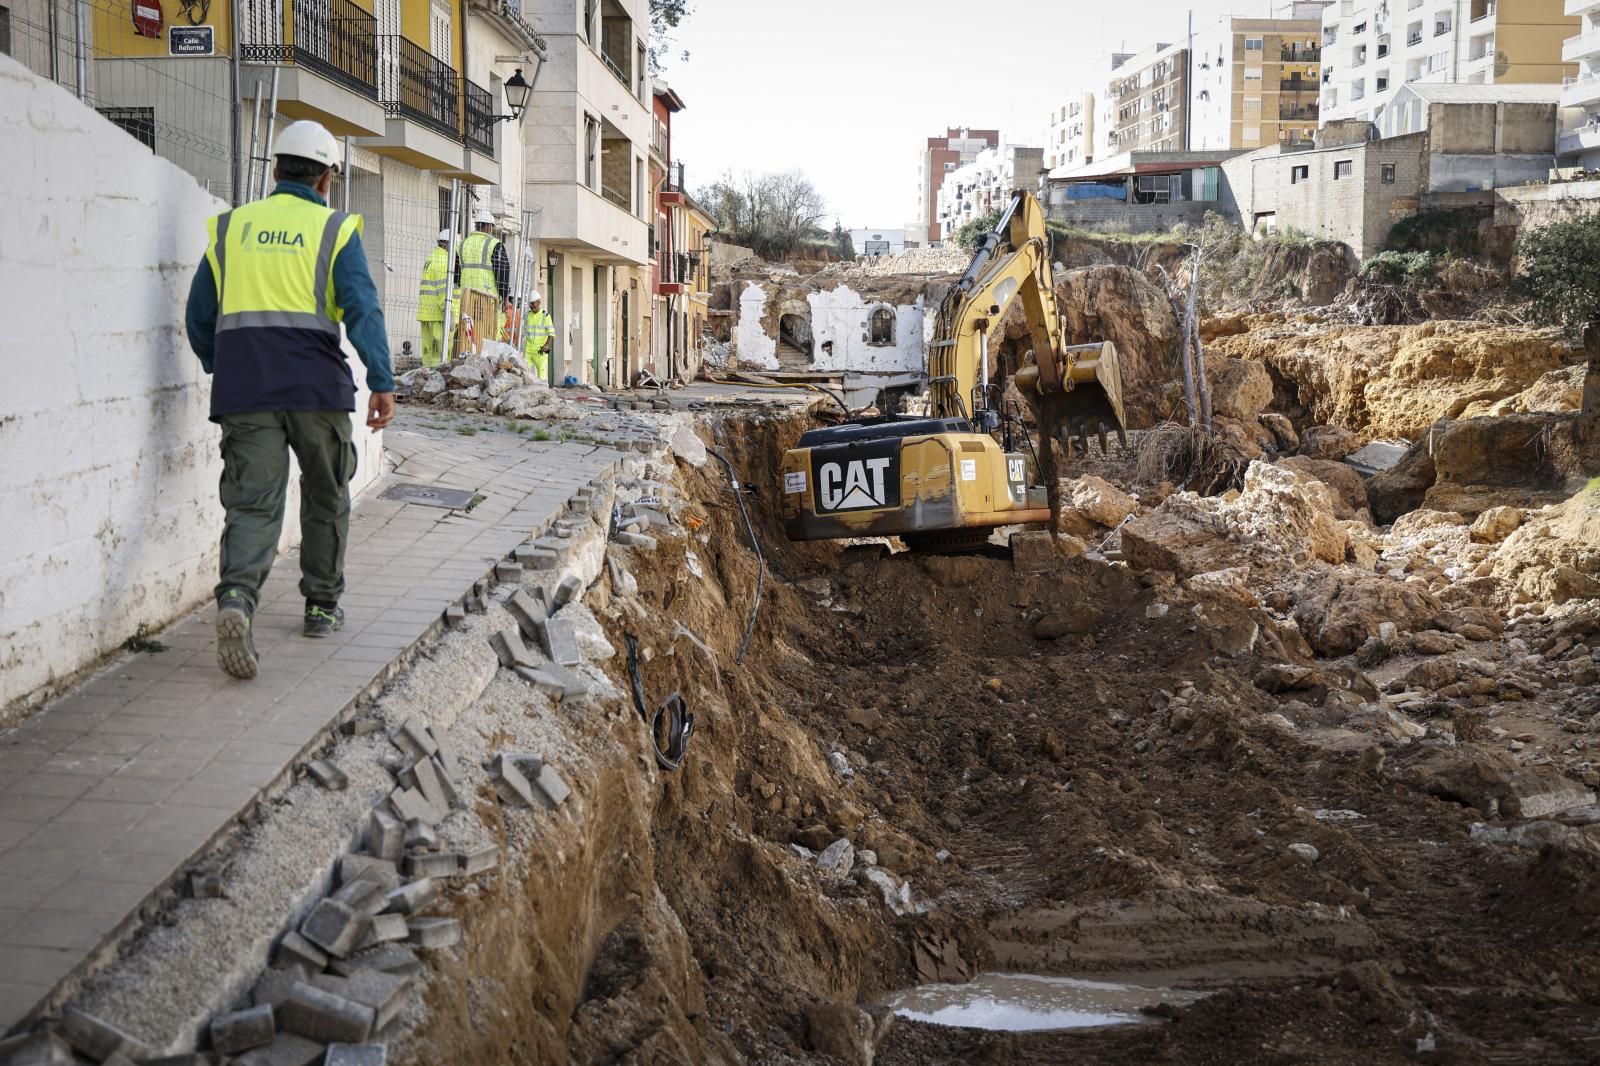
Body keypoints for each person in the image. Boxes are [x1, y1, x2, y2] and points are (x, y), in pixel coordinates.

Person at [184, 119, 395, 680]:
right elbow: (363, 309)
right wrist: (382, 380)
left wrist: (223, 364)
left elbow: (199, 316)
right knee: (326, 494)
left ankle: (237, 598)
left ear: (275, 170)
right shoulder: (335, 230)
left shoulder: (232, 228)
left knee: (253, 504)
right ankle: (321, 606)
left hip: (245, 390)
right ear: (326, 179)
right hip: (316, 389)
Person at [455, 207, 510, 338]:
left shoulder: (461, 245)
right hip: (487, 298)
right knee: (487, 334)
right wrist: (505, 296)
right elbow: (502, 273)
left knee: (467, 334)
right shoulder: (495, 244)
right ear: (489, 227)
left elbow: (456, 274)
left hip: (466, 297)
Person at [417, 229, 450, 368]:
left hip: (425, 312)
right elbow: (443, 290)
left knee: (428, 350)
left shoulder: (430, 259)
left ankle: (426, 373)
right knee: (439, 350)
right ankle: (436, 375)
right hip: (437, 314)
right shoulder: (444, 261)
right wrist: (447, 312)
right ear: (447, 244)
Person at [522, 290, 555, 380]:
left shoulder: (545, 316)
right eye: (530, 304)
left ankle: (543, 389)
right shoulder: (526, 316)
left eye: (533, 303)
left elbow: (551, 333)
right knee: (524, 374)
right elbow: (523, 331)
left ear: (539, 302)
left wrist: (547, 345)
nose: (531, 306)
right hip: (528, 350)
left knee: (541, 376)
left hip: (540, 351)